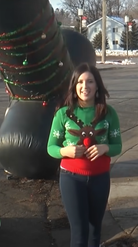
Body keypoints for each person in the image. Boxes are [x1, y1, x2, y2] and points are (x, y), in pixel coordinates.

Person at [47, 63, 122, 247]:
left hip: (100, 178)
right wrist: (66, 151)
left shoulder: (108, 113)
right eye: (80, 82)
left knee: (95, 230)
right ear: (74, 86)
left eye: (90, 81)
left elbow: (117, 146)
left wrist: (105, 148)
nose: (85, 86)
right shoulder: (63, 114)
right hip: (71, 179)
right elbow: (51, 147)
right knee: (80, 232)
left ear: (97, 86)